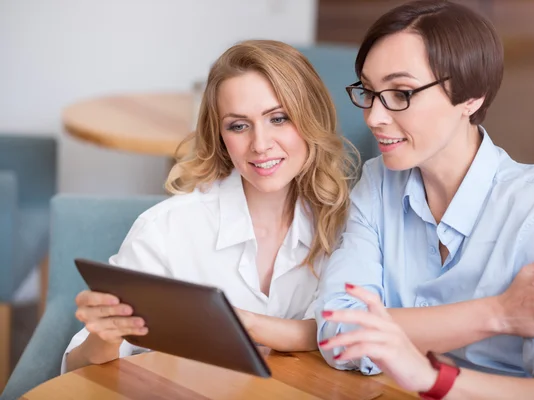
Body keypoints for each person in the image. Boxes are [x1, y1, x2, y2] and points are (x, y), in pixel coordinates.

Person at [315, 1, 534, 399]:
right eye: (369, 90)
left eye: (401, 93)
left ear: (472, 97)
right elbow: (339, 331)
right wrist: (499, 313)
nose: (374, 117)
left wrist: (433, 379)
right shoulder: (377, 183)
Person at [62, 39, 356, 373]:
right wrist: (105, 337)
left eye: (279, 118)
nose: (260, 144)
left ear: (312, 119)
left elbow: (344, 332)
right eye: (239, 125)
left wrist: (233, 324)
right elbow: (77, 370)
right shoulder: (166, 229)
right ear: (220, 136)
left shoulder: (346, 224)